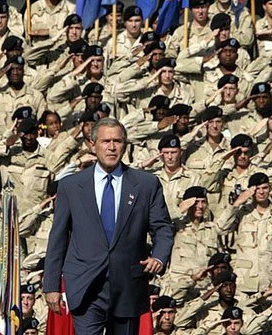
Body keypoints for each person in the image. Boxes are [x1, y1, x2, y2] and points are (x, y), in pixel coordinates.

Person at [43, 118, 174, 334]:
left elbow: (163, 227)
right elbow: (58, 238)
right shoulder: (71, 186)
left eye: (117, 141)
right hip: (85, 286)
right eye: (105, 141)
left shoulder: (146, 184)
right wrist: (51, 286)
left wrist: (159, 257)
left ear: (125, 145)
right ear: (92, 145)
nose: (111, 147)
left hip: (128, 286)